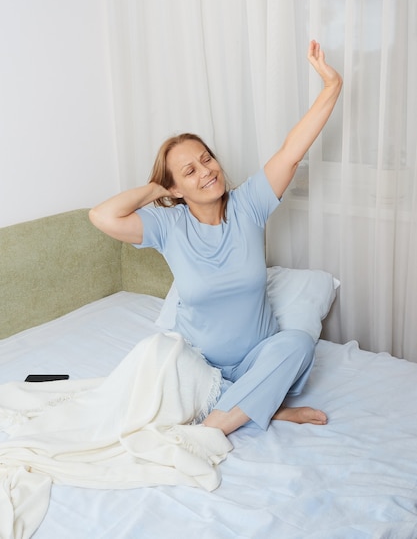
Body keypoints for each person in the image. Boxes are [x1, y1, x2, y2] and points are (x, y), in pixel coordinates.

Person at [89, 40, 343, 436]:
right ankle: (260, 407)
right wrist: (159, 188)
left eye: (206, 159)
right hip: (197, 366)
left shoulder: (249, 205)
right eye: (189, 171)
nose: (206, 171)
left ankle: (213, 426)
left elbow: (292, 151)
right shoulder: (167, 226)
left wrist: (331, 85)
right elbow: (101, 216)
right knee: (156, 356)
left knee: (296, 344)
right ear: (175, 188)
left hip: (258, 360)